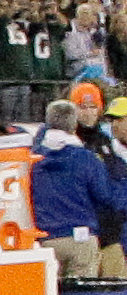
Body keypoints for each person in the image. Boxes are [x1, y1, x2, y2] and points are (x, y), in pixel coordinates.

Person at [36, 99, 121, 282]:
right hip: (80, 238)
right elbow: (106, 196)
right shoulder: (86, 158)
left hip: (45, 239)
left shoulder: (34, 159)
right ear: (74, 124)